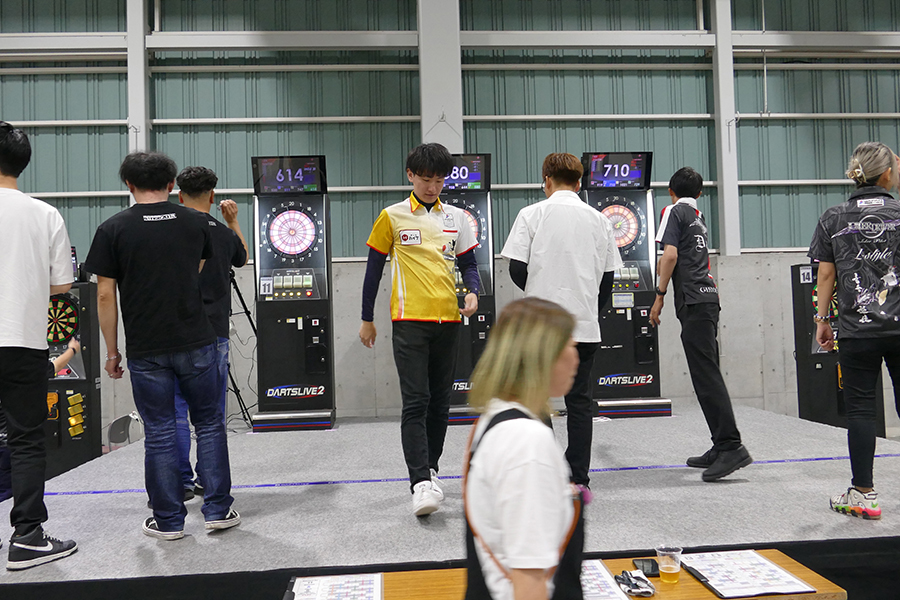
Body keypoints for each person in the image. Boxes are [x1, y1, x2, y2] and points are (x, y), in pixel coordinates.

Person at [85, 152, 239, 540]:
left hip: (146, 347)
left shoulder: (112, 229)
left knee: (160, 431)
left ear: (129, 184)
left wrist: (112, 352)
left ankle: (169, 520)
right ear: (171, 185)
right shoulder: (197, 223)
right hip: (197, 340)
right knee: (209, 424)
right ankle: (218, 509)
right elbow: (197, 270)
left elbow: (104, 295)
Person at [359, 143, 480, 516]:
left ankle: (431, 469)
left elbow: (469, 263)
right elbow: (373, 270)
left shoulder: (458, 218)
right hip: (409, 321)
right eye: (426, 179)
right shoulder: (391, 216)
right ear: (410, 175)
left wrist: (473, 291)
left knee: (441, 402)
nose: (432, 187)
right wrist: (366, 318)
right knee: (416, 400)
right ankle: (419, 483)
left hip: (449, 321)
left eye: (439, 180)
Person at [500, 152, 622, 488]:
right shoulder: (600, 221)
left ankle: (547, 472)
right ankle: (578, 478)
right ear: (579, 183)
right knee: (580, 401)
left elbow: (516, 268)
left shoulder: (531, 214)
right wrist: (589, 310)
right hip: (584, 326)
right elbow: (608, 278)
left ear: (547, 181)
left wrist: (539, 290)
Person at [463, 297, 583, 600]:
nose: (576, 356)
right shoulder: (527, 441)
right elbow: (529, 580)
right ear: (542, 355)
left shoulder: (491, 419)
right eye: (570, 344)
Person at [0, 121, 78, 569]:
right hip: (21, 342)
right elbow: (62, 285)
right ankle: (27, 536)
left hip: (22, 341)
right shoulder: (45, 214)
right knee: (26, 440)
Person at [809, 141, 900, 520]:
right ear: (888, 174)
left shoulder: (833, 217)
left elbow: (825, 274)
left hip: (855, 329)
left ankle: (863, 494)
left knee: (861, 409)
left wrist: (822, 320)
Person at [649, 167, 752, 482]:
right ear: (701, 193)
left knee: (706, 376)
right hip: (708, 298)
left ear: (670, 191)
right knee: (708, 373)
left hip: (693, 301)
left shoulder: (673, 211)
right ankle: (720, 445)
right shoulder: (698, 216)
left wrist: (659, 295)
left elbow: (669, 256)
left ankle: (731, 446)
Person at [174, 166, 248, 498]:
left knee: (175, 410)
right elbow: (242, 258)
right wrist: (232, 221)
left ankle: (179, 482)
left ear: (179, 196)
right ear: (213, 195)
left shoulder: (171, 229)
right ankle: (209, 478)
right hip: (214, 331)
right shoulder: (222, 233)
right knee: (211, 413)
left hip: (175, 331)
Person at [0, 339, 82, 506]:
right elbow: (53, 367)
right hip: (10, 443)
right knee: (10, 490)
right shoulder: (19, 364)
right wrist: (72, 350)